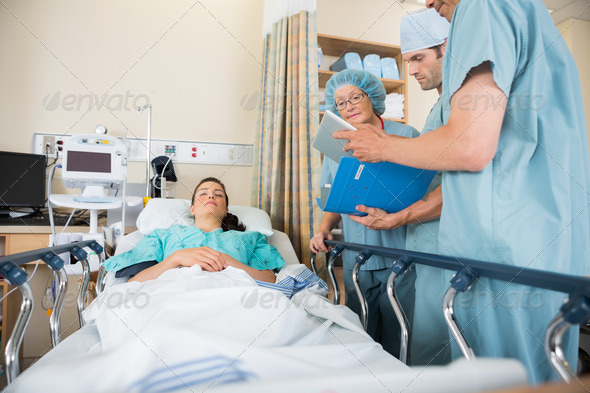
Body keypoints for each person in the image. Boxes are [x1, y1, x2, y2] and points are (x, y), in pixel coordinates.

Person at [333, 0, 590, 383]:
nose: (428, 4)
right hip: (534, 237)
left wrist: (382, 146)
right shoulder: (528, 22)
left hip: (502, 244)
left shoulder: (483, 6)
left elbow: (469, 147)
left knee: (498, 374)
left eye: (420, 58)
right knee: (531, 368)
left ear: (447, 47)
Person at [310, 69, 420, 357]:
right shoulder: (336, 143)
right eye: (341, 102)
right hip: (357, 253)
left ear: (372, 97)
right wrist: (323, 228)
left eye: (355, 97)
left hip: (402, 250)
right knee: (361, 330)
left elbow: (424, 189)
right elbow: (332, 198)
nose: (349, 106)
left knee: (400, 329)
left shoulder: (406, 134)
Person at [103, 177, 285, 283]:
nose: (211, 195)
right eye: (203, 193)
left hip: (232, 300)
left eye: (218, 194)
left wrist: (230, 263)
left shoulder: (249, 239)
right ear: (192, 208)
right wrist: (176, 258)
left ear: (226, 209)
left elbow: (271, 280)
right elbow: (134, 283)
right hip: (171, 298)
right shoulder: (166, 235)